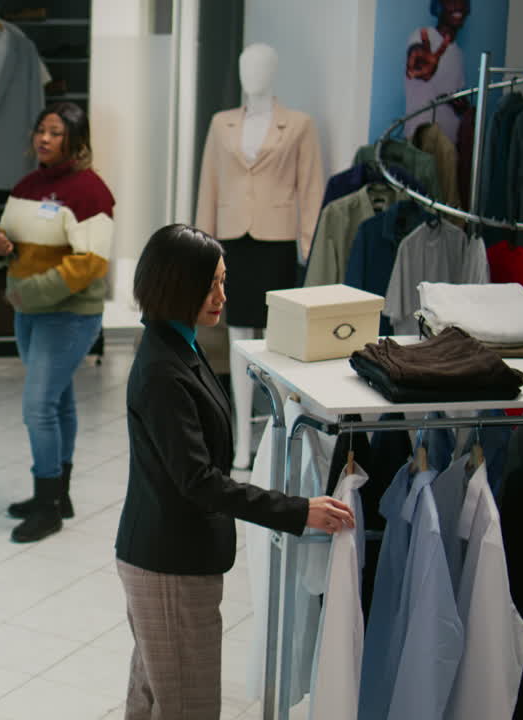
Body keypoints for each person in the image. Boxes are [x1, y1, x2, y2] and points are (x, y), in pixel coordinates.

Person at [114, 224, 356, 720]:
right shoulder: (163, 369)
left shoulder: (179, 344)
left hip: (168, 555)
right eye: (210, 285)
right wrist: (297, 511)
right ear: (175, 284)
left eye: (223, 281)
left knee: (154, 698)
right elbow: (199, 482)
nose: (222, 296)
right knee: (189, 707)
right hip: (169, 563)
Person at [0, 102, 116, 543]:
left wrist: (31, 291)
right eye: (41, 130)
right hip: (29, 311)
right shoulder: (26, 186)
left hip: (70, 315)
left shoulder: (91, 192)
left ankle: (47, 508)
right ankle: (59, 494)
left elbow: (91, 263)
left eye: (55, 132)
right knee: (57, 402)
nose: (44, 138)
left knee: (38, 406)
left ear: (76, 140)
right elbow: (10, 242)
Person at [404, 0, 470, 144]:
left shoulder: (458, 53)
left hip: (448, 143)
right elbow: (416, 61)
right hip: (420, 142)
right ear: (438, 6)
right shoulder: (422, 36)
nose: (459, 5)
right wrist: (421, 67)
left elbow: (453, 95)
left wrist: (462, 106)